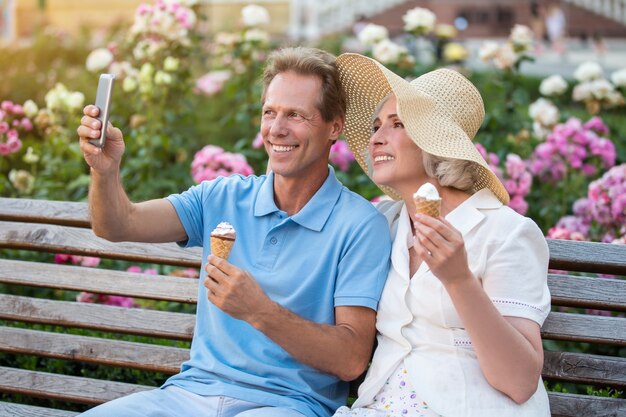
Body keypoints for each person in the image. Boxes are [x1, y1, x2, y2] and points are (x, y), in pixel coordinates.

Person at [75, 47, 391, 417]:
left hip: (286, 406)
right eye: (270, 112)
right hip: (188, 397)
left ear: (334, 126)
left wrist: (259, 311)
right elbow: (117, 224)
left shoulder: (360, 226)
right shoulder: (221, 197)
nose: (277, 129)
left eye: (296, 115)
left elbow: (351, 360)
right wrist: (104, 170)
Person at [332, 53, 551, 416]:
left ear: (436, 141)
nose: (376, 139)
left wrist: (460, 280)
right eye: (375, 127)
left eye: (397, 124)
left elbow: (520, 381)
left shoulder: (507, 232)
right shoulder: (380, 222)